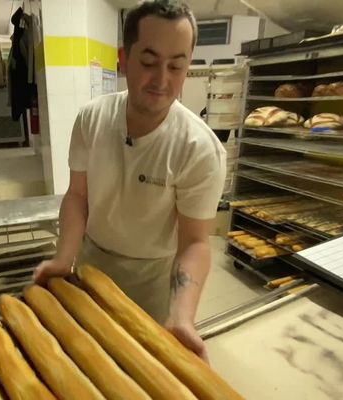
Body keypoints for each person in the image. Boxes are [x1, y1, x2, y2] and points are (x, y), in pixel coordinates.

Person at [34, 0, 226, 363]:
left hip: (153, 282)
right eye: (149, 62)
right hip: (90, 270)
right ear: (124, 58)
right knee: (88, 365)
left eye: (176, 66)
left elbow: (195, 243)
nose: (162, 80)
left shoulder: (199, 148)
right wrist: (64, 258)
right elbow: (78, 196)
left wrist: (182, 315)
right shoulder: (92, 119)